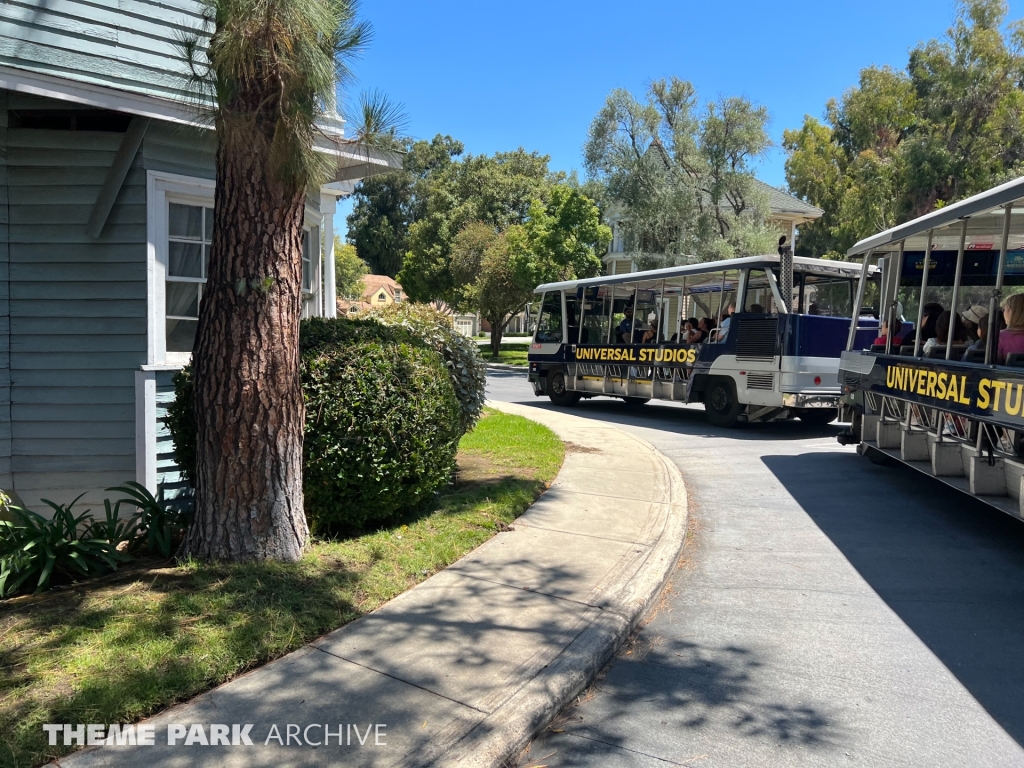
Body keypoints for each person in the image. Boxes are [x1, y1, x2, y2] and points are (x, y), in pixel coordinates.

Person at [998, 293, 1024, 363]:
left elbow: (994, 367)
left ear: (1012, 312)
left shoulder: (999, 336)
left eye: (1004, 310)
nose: (1003, 313)